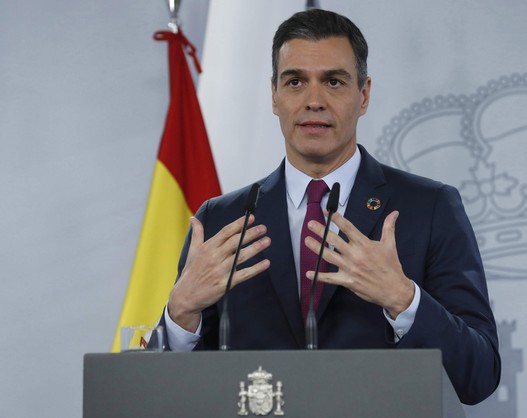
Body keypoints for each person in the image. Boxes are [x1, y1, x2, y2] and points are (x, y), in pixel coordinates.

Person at [156, 9, 501, 405]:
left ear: (364, 94)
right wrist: (180, 316)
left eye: (334, 82)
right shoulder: (218, 219)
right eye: (295, 81)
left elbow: (480, 375)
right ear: (274, 95)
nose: (314, 100)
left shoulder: (430, 208)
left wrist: (404, 300)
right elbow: (172, 394)